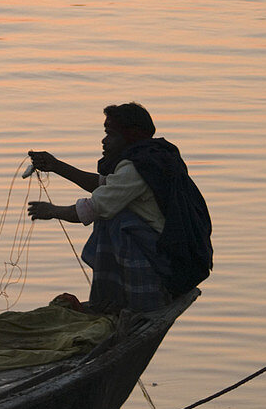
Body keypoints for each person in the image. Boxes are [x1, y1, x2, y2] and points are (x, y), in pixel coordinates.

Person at [28, 102, 212, 314]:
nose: (104, 140)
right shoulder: (149, 158)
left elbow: (93, 208)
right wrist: (56, 166)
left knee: (114, 219)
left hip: (168, 261)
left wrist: (51, 211)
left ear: (130, 136)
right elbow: (106, 185)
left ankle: (138, 301)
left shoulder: (137, 167)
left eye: (110, 134)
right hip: (172, 253)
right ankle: (113, 298)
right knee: (112, 211)